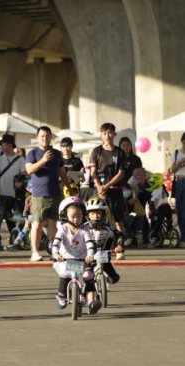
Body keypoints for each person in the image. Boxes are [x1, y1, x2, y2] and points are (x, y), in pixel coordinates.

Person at [26, 125, 75, 261]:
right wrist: (42, 161)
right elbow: (29, 170)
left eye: (47, 136)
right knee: (38, 223)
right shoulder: (33, 153)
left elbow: (62, 172)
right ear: (37, 138)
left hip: (55, 193)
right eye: (42, 136)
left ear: (51, 137)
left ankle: (54, 251)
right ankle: (35, 252)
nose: (45, 138)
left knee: (53, 223)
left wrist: (69, 188)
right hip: (39, 194)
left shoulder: (57, 154)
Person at [52, 196, 101, 314]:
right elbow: (56, 243)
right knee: (64, 274)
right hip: (66, 259)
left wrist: (90, 255)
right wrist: (56, 253)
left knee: (89, 275)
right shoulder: (63, 229)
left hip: (83, 259)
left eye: (79, 216)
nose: (76, 219)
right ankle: (63, 296)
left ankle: (91, 302)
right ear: (64, 215)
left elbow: (90, 243)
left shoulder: (85, 229)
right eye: (73, 216)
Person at [90, 123, 129, 256]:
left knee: (118, 220)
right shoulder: (96, 151)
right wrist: (99, 186)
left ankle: (120, 248)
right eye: (105, 133)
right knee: (97, 219)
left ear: (114, 134)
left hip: (115, 190)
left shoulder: (120, 152)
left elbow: (120, 174)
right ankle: (97, 248)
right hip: (98, 191)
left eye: (110, 133)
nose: (108, 136)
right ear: (101, 135)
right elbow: (93, 172)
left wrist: (106, 186)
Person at [0, 134, 26, 250]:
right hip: (2, 193)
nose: (1, 146)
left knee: (19, 219)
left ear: (10, 145)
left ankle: (18, 241)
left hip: (17, 195)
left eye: (3, 143)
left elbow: (25, 175)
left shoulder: (21, 160)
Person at [85, 197, 121, 284]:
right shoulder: (84, 228)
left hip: (104, 256)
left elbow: (119, 235)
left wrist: (119, 245)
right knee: (86, 278)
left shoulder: (108, 227)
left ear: (104, 214)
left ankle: (105, 281)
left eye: (98, 213)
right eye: (92, 214)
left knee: (115, 278)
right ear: (88, 215)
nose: (95, 216)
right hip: (88, 257)